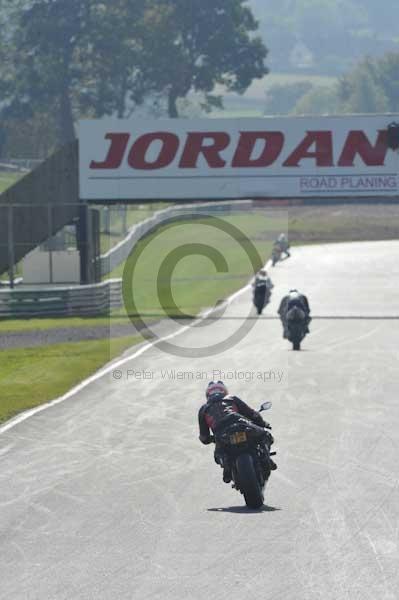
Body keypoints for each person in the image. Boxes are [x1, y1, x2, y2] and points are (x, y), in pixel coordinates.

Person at [198, 381, 276, 483]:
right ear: (224, 391)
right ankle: (267, 459)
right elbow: (252, 413)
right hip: (239, 423)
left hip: (221, 433)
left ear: (208, 394)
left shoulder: (203, 409)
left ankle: (227, 467)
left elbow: (204, 437)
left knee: (219, 455)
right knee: (265, 435)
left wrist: (211, 439)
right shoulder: (231, 398)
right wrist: (263, 423)